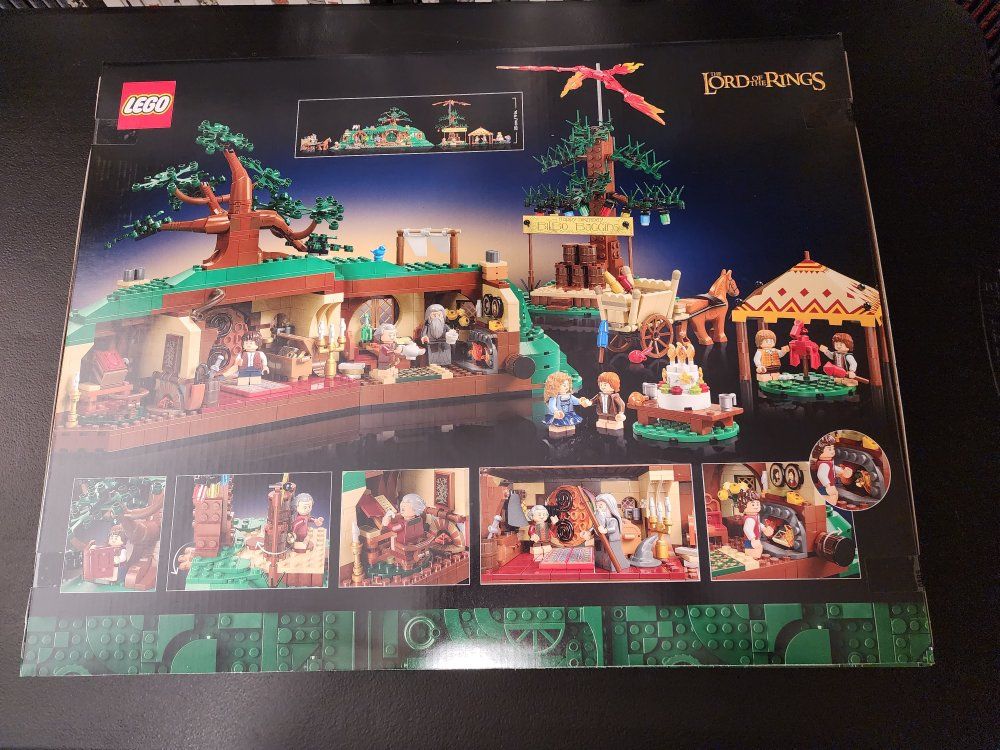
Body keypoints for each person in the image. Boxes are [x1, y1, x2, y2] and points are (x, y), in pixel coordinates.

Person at [584, 493, 631, 571]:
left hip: (611, 541)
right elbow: (595, 527)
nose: (598, 509)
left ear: (609, 506)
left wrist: (605, 530)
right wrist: (589, 533)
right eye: (597, 506)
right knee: (600, 553)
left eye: (601, 506)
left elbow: (612, 528)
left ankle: (611, 566)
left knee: (611, 555)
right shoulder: (598, 518)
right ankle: (600, 564)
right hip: (599, 540)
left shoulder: (613, 520)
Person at [542, 371, 591, 436]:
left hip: (569, 415)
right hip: (559, 416)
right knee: (558, 428)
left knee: (570, 428)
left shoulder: (569, 396)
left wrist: (581, 401)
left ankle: (570, 436)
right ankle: (558, 436)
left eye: (567, 385)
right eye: (564, 385)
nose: (566, 387)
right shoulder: (554, 397)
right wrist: (556, 411)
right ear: (555, 386)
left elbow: (576, 401)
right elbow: (552, 406)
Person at [811, 434, 854, 502]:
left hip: (828, 486)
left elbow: (834, 468)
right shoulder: (824, 464)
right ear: (819, 452)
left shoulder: (828, 462)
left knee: (834, 496)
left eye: (833, 448)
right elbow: (821, 475)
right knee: (832, 497)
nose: (832, 451)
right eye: (829, 449)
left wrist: (843, 472)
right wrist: (828, 486)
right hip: (825, 487)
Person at [733, 489, 772, 559]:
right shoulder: (750, 519)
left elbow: (758, 524)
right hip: (750, 540)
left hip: (755, 539)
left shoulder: (755, 516)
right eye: (753, 504)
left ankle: (754, 559)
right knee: (752, 553)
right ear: (744, 506)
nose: (756, 506)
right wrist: (752, 539)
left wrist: (764, 529)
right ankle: (753, 560)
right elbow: (747, 529)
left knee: (757, 551)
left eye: (758, 504)